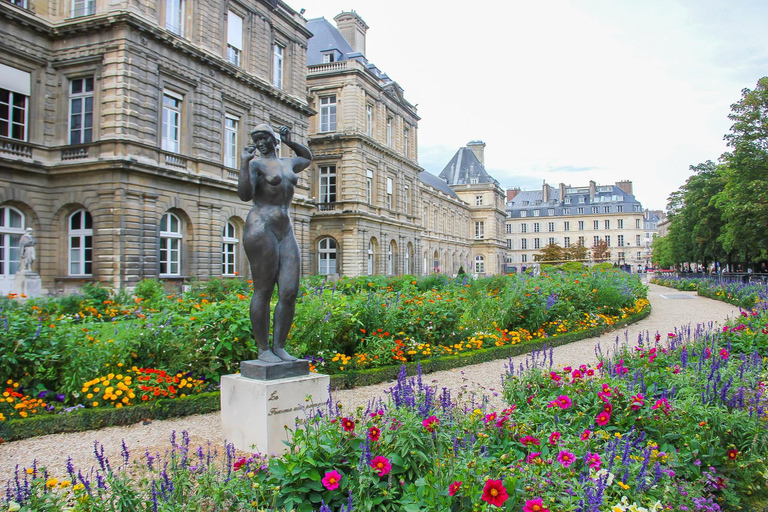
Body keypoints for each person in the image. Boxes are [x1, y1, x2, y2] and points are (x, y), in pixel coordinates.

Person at [238, 124, 312, 364]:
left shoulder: (288, 163)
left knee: (289, 291)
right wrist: (243, 163)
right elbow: (244, 194)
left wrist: (290, 141)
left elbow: (306, 157)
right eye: (256, 139)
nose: (260, 143)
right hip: (261, 226)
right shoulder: (255, 164)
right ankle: (263, 350)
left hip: (285, 229)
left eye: (264, 138)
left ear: (273, 140)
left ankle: (279, 347)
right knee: (264, 289)